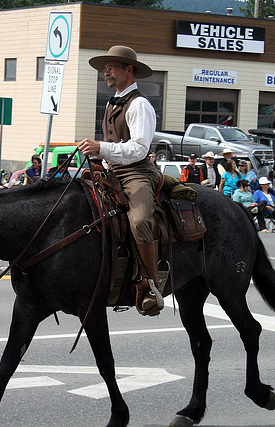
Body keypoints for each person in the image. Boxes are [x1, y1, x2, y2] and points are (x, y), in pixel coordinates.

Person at [79, 45, 163, 316]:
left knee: (139, 220)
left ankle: (150, 284)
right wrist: (99, 160)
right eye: (106, 68)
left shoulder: (140, 105)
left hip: (137, 172)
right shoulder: (111, 102)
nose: (107, 72)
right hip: (112, 171)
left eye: (112, 67)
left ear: (129, 70)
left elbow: (139, 148)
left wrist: (101, 148)